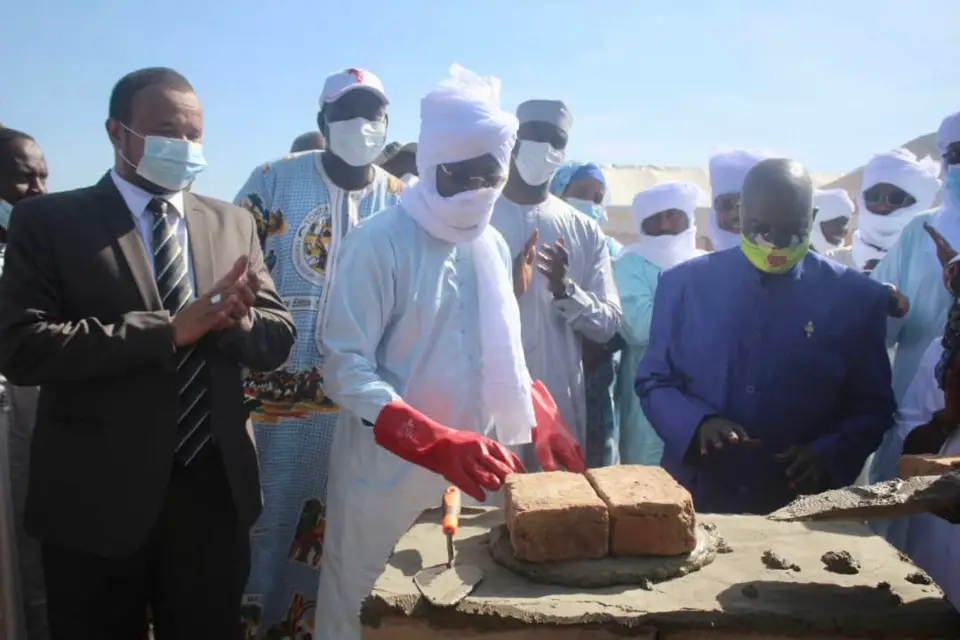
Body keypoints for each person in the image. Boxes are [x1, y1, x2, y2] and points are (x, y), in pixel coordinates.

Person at [0, 67, 296, 639]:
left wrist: (232, 322)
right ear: (117, 133)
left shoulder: (232, 224)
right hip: (96, 501)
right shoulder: (52, 222)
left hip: (212, 496)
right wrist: (166, 331)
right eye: (166, 131)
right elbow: (23, 348)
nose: (184, 147)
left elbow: (276, 337)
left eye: (194, 134)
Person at [314, 63, 584, 639]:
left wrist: (540, 413)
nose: (475, 191)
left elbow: (497, 351)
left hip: (472, 475)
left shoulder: (489, 242)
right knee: (367, 614)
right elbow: (343, 367)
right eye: (460, 176)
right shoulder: (378, 244)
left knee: (455, 617)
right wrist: (430, 439)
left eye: (490, 176)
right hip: (384, 482)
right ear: (432, 165)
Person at [233, 67, 403, 633]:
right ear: (321, 123)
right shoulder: (272, 181)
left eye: (373, 113)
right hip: (274, 404)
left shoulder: (403, 200)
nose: (361, 125)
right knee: (269, 521)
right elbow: (231, 273)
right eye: (346, 112)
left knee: (350, 529)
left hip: (366, 406)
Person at [637, 158, 895, 514]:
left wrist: (827, 454)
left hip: (803, 507)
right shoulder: (682, 286)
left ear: (813, 215)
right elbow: (654, 380)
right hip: (699, 498)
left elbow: (872, 406)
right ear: (740, 213)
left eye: (791, 231)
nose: (774, 245)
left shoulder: (857, 299)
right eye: (760, 229)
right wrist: (697, 424)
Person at [490, 100, 622, 466]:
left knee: (557, 512)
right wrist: (506, 287)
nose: (545, 147)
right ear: (513, 140)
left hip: (559, 406)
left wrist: (566, 291)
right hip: (488, 404)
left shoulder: (582, 229)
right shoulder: (477, 217)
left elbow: (608, 324)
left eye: (556, 140)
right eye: (535, 136)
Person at [865, 111, 960, 548]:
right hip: (916, 411)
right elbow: (879, 327)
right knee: (903, 530)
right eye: (956, 156)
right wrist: (882, 303)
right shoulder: (919, 234)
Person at [615, 182, 705, 466]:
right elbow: (640, 327)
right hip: (647, 400)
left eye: (673, 214)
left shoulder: (707, 263)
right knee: (646, 486)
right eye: (655, 217)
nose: (665, 224)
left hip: (703, 396)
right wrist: (699, 318)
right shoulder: (629, 263)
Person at [0, 126, 48, 640]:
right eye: (21, 179)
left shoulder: (44, 257)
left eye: (42, 177)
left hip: (33, 443)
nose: (36, 190)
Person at [548, 160, 621, 466]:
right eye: (581, 192)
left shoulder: (613, 251)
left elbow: (612, 320)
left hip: (598, 376)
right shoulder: (539, 238)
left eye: (597, 196)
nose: (590, 202)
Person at [851, 148, 941, 273]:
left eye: (896, 198)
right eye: (873, 196)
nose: (882, 205)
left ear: (918, 204)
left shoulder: (939, 266)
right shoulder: (832, 262)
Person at [705, 149, 771, 251]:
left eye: (748, 204)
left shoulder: (796, 264)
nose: (736, 214)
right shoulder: (695, 266)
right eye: (725, 204)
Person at [810, 188, 855, 267]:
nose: (844, 230)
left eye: (845, 223)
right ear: (817, 219)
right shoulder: (790, 262)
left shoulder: (847, 263)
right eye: (837, 222)